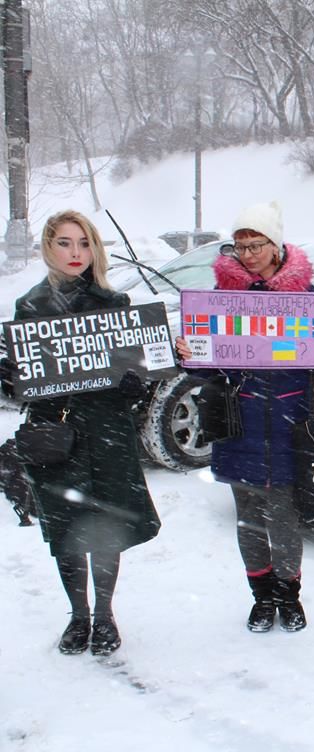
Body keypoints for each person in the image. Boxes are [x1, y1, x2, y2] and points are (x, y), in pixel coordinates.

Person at [175, 201, 314, 634]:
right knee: (248, 516)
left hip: (290, 422)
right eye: (240, 246)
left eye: (256, 244)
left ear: (276, 244)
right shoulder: (223, 299)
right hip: (238, 422)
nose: (247, 253)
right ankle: (261, 596)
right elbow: (207, 368)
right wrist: (190, 354)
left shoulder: (304, 297)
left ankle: (289, 595)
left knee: (285, 517)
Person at [0, 210, 161, 656]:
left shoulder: (115, 304)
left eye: (84, 243)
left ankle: (105, 614)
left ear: (95, 249)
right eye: (66, 243)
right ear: (49, 247)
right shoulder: (30, 306)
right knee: (67, 528)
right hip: (54, 433)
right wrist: (9, 374)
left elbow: (135, 382)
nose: (76, 253)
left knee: (106, 524)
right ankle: (78, 616)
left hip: (107, 429)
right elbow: (21, 388)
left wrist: (134, 381)